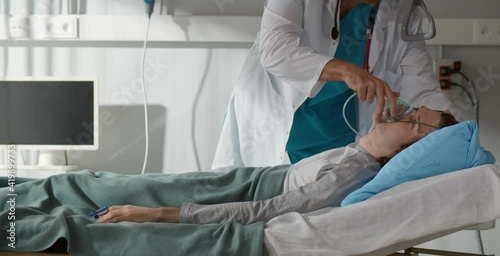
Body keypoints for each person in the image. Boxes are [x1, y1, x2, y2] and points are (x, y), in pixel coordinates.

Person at [211, 0, 454, 170]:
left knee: (322, 205)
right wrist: (346, 71)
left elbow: (423, 89)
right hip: (271, 119)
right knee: (253, 203)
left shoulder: (401, 9)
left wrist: (457, 132)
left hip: (338, 130)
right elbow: (276, 50)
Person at [96, 108, 458, 225]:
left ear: (410, 146)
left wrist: (155, 214)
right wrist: (374, 137)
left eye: (410, 120)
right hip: (246, 178)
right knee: (103, 184)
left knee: (109, 190)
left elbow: (264, 211)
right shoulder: (358, 154)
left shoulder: (353, 174)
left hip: (241, 191)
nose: (399, 111)